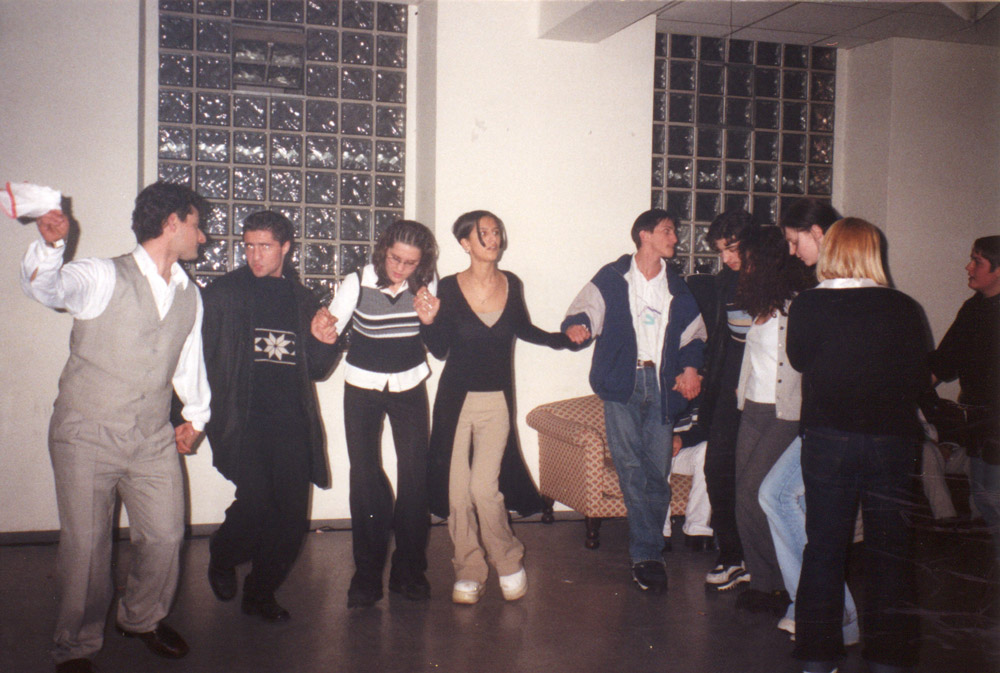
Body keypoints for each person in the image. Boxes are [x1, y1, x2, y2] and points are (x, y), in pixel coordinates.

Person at [20, 183, 211, 673]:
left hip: (150, 436)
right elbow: (48, 288)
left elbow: (188, 362)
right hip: (87, 432)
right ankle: (75, 645)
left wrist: (195, 416)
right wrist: (52, 247)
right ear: (172, 223)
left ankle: (141, 618)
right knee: (86, 549)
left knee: (166, 535)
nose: (202, 237)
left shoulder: (190, 294)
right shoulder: (102, 274)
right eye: (196, 225)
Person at [788, 218, 928, 673]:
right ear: (873, 252)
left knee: (823, 548)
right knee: (891, 551)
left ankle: (817, 657)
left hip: (829, 439)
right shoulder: (904, 306)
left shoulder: (808, 304)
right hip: (892, 441)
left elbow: (798, 360)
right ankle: (888, 659)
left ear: (831, 251)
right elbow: (917, 375)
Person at [421, 210, 570, 605]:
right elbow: (439, 349)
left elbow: (524, 329)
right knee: (457, 494)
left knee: (484, 489)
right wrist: (428, 321)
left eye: (496, 231)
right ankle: (468, 569)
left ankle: (507, 560)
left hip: (497, 403)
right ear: (465, 243)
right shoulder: (448, 287)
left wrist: (563, 339)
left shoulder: (511, 283)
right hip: (455, 403)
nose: (493, 238)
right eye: (483, 233)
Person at [201, 211, 340, 622]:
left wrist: (325, 342)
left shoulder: (302, 299)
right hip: (244, 418)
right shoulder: (224, 294)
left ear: (285, 248)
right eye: (248, 246)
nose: (255, 255)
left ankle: (260, 594)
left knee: (292, 517)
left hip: (291, 420)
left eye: (264, 247)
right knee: (257, 503)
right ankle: (223, 554)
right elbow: (197, 358)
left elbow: (317, 369)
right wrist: (186, 415)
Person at [562, 209, 706, 594]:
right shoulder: (612, 277)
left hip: (661, 386)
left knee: (657, 471)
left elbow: (695, 336)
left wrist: (690, 368)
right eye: (667, 231)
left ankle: (648, 546)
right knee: (629, 467)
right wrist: (577, 326)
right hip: (623, 384)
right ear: (644, 235)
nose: (674, 239)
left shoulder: (676, 285)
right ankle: (647, 554)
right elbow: (584, 311)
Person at [759, 198, 858, 642]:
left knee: (779, 497)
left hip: (839, 428)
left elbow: (802, 359)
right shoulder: (819, 288)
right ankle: (831, 611)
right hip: (823, 424)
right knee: (777, 496)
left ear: (818, 233)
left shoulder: (835, 295)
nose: (792, 251)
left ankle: (823, 610)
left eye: (794, 240)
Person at [327, 219, 439, 607]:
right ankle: (367, 576)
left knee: (415, 478)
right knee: (364, 477)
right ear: (383, 250)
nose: (401, 269)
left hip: (409, 384)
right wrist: (320, 334)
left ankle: (409, 572)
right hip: (362, 386)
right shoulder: (357, 281)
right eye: (395, 259)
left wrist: (430, 321)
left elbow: (437, 343)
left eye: (410, 263)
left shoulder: (426, 282)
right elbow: (330, 332)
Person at [727, 226, 810, 616]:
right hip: (753, 409)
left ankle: (782, 582)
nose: (743, 266)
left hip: (785, 413)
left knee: (754, 493)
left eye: (748, 259)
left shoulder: (798, 306)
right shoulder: (759, 306)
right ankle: (763, 583)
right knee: (742, 496)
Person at [928, 235, 1000, 562]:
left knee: (992, 499)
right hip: (979, 425)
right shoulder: (974, 308)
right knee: (985, 499)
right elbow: (943, 362)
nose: (968, 267)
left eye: (977, 261)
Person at [700, 209, 755, 590]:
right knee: (717, 466)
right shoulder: (724, 283)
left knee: (758, 477)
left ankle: (759, 559)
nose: (727, 258)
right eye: (721, 251)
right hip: (729, 384)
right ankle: (732, 555)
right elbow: (721, 338)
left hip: (767, 391)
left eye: (733, 248)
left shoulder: (780, 279)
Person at [660, 419, 713, 551]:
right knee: (658, 450)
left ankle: (697, 528)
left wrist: (681, 438)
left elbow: (707, 428)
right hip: (655, 447)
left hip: (684, 450)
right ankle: (660, 530)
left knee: (708, 449)